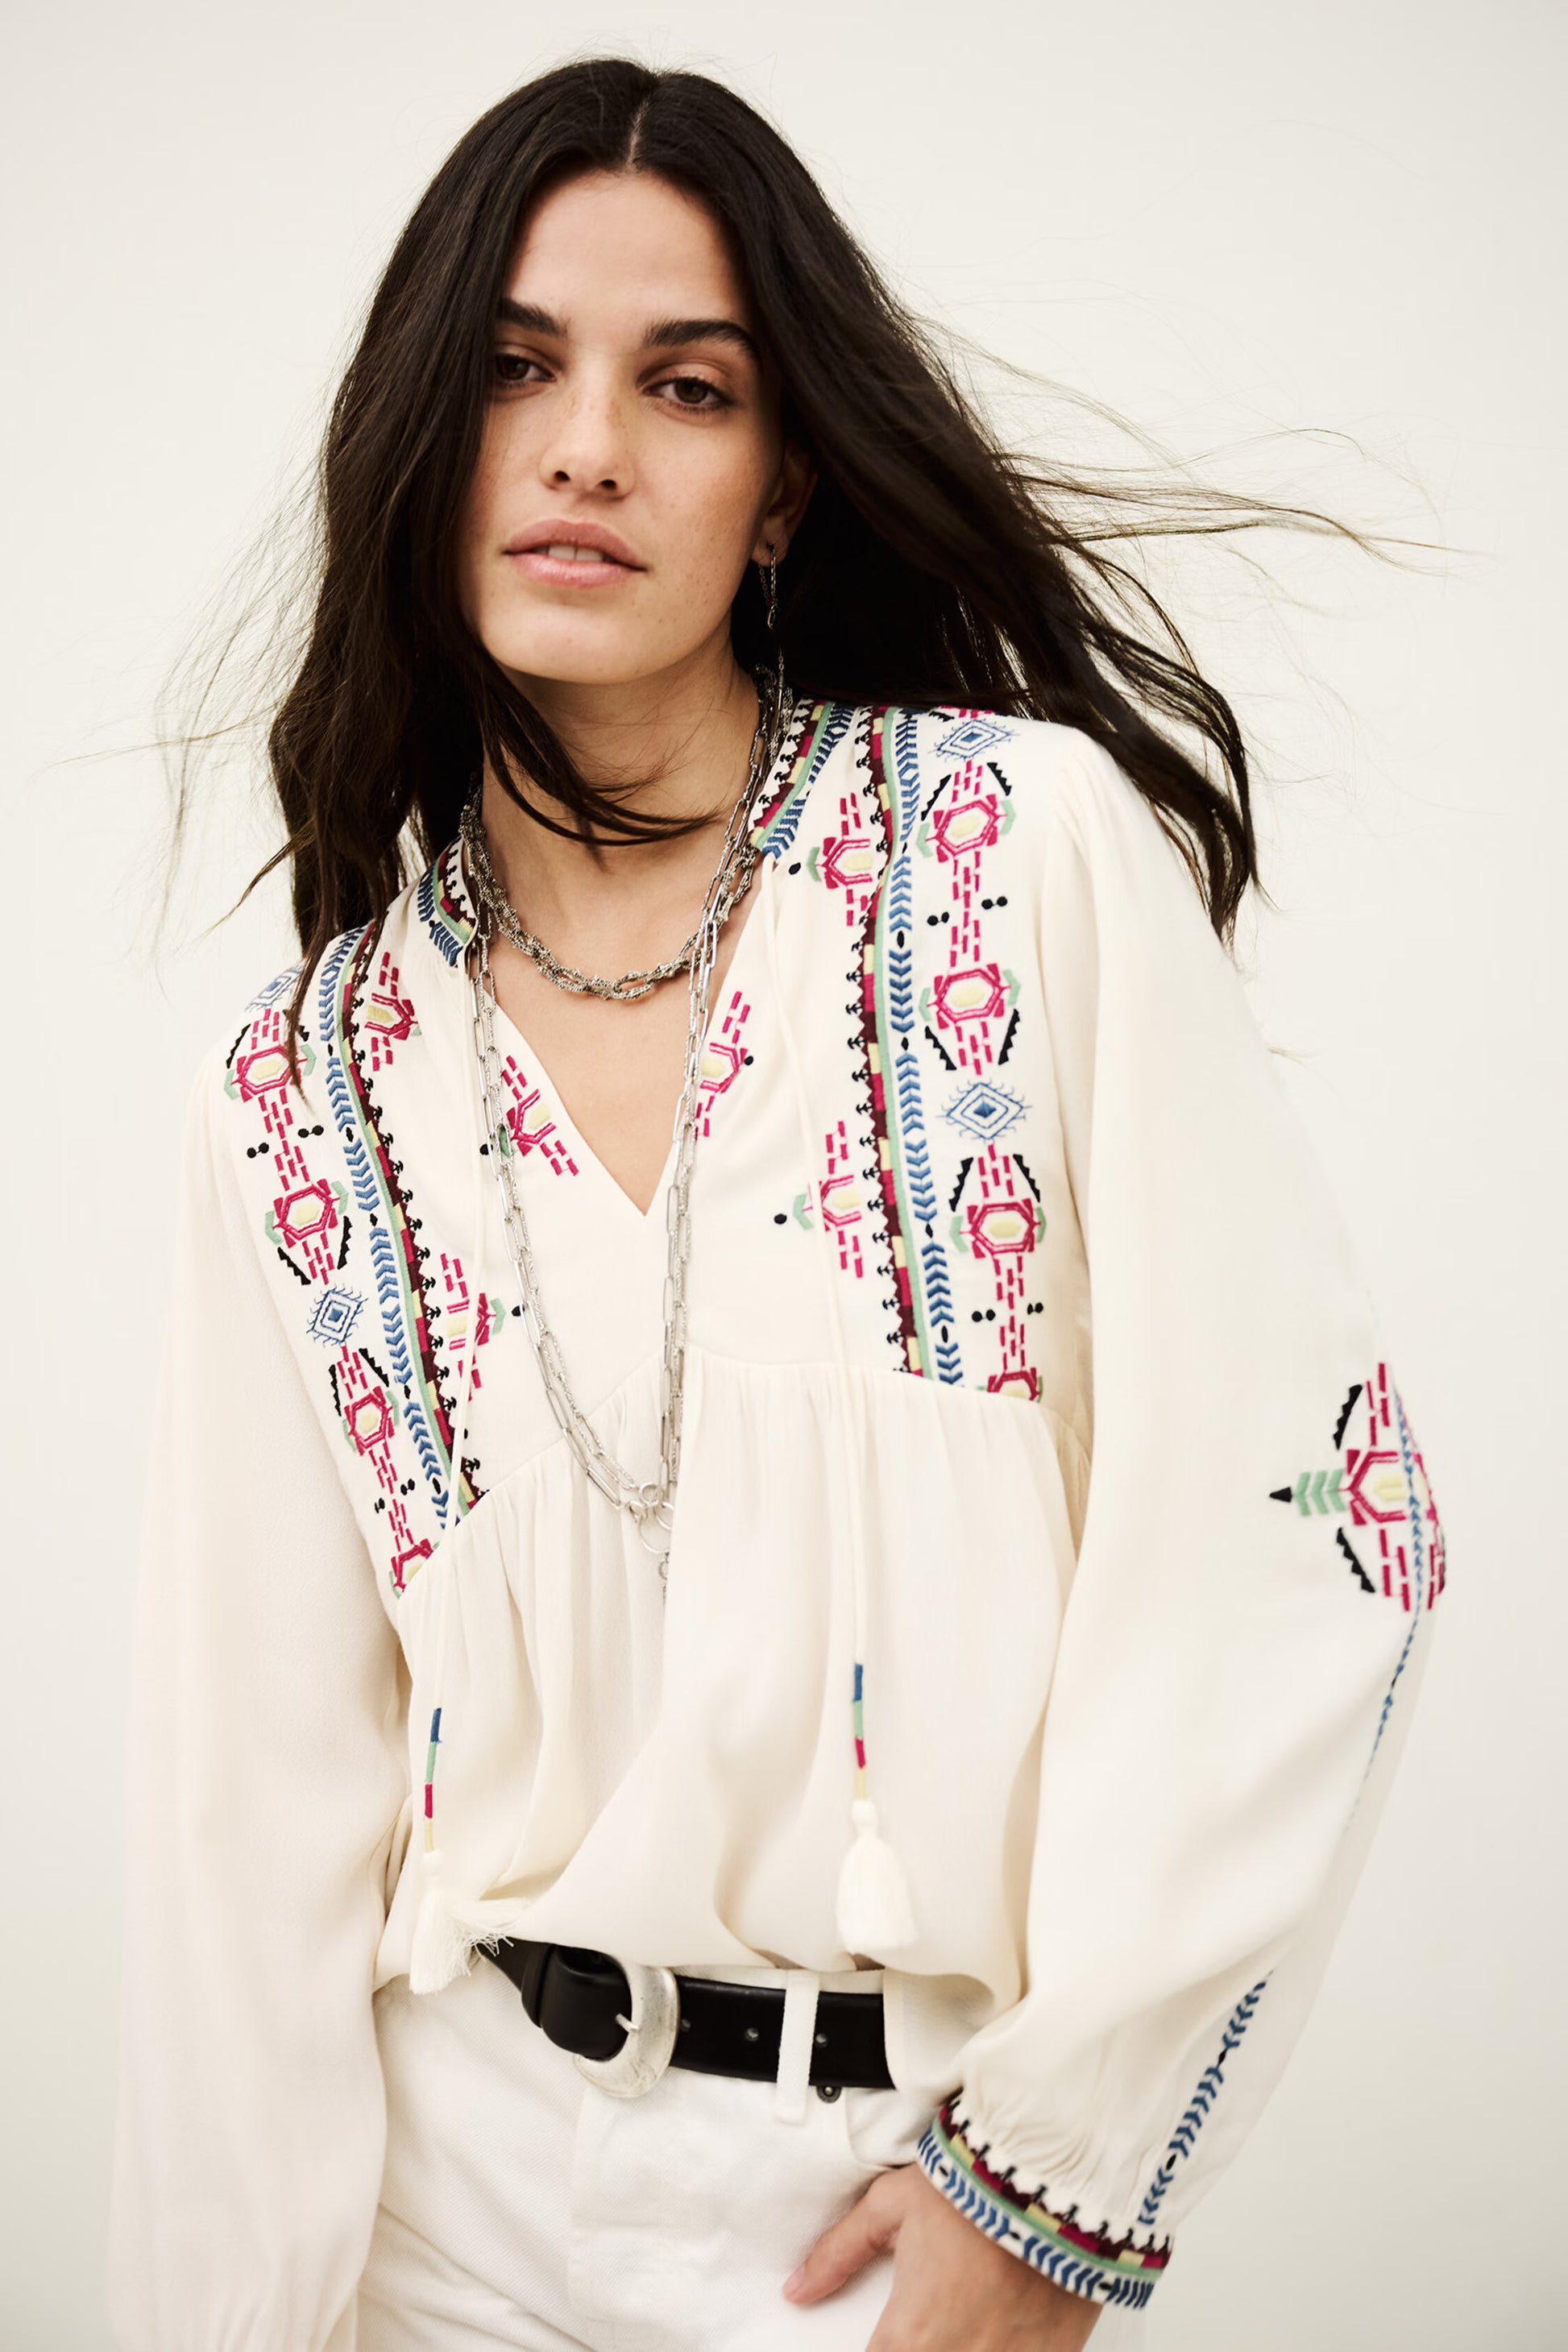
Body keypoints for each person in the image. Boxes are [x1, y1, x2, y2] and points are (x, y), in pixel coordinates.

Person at [106, 56, 1447, 2352]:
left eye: (685, 385)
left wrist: (1052, 2188)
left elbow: (1317, 1530)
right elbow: (242, 1829)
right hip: (450, 2212)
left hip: (889, 2199)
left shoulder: (1018, 857)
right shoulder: (306, 1080)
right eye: (514, 367)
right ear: (425, 440)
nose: (586, 444)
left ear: (786, 481)